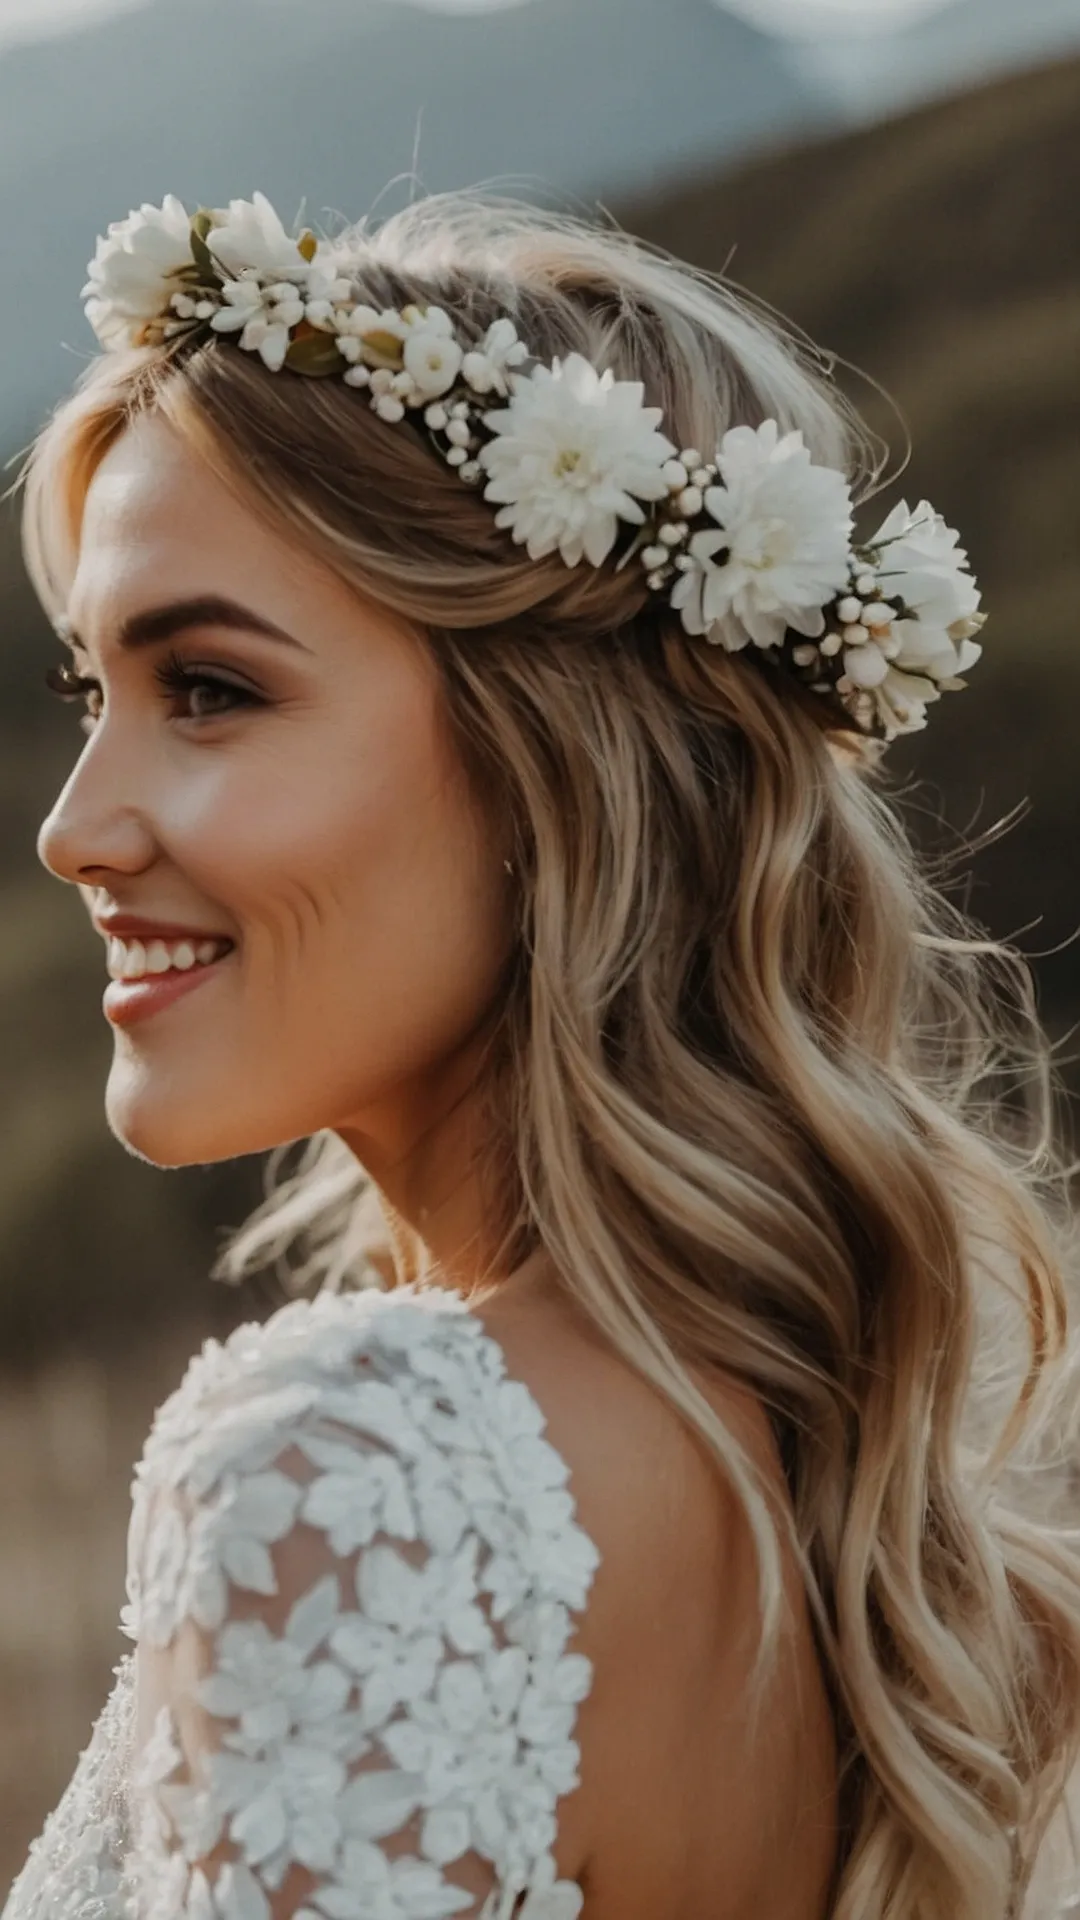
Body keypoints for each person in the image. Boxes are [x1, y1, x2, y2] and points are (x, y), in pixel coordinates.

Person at [3, 184, 1080, 1920]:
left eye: (207, 687)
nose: (76, 829)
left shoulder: (358, 1478)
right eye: (89, 696)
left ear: (549, 764)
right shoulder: (864, 1535)